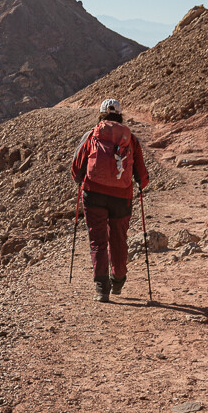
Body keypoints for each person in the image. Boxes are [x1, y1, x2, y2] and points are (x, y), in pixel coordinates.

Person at [71, 98, 150, 302]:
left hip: (94, 194)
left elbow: (76, 167)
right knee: (118, 239)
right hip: (122, 197)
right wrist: (141, 184)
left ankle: (101, 288)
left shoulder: (92, 135)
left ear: (101, 114)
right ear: (120, 116)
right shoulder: (130, 139)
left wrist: (81, 181)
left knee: (98, 241)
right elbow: (142, 174)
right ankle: (118, 279)